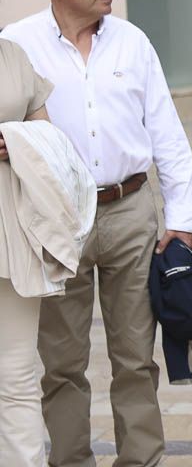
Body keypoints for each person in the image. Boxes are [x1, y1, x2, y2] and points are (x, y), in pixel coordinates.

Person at [0, 0, 192, 467]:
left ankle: (141, 460)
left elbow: (167, 133)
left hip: (130, 210)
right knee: (62, 361)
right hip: (55, 220)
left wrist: (182, 218)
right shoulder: (17, 42)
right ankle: (70, 461)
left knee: (136, 356)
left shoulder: (132, 42)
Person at [0, 39, 87, 467]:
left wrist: (18, 141)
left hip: (13, 234)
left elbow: (49, 139)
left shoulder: (12, 56)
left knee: (16, 375)